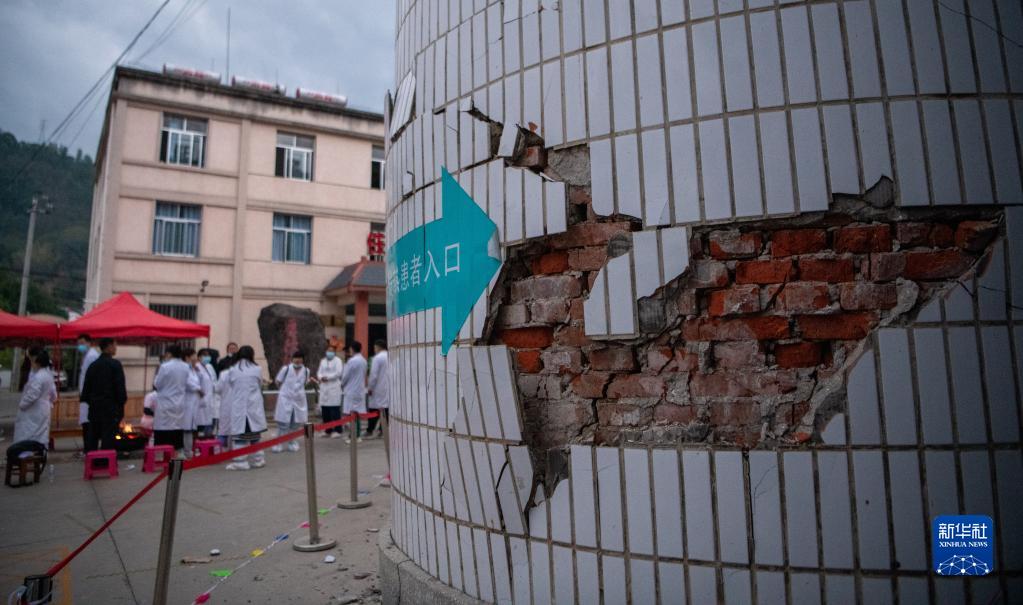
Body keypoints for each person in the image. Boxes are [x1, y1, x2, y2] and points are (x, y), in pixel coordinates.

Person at [6, 350, 57, 474]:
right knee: (39, 434)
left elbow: (32, 395)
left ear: (37, 362)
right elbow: (53, 394)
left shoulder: (39, 376)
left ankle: (25, 459)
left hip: (33, 410)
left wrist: (22, 405)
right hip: (43, 408)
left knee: (28, 435)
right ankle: (37, 459)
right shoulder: (48, 375)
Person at [222, 345, 268, 471]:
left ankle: (240, 461)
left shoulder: (233, 370)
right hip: (253, 406)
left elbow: (231, 384)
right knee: (255, 434)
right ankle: (258, 460)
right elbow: (259, 383)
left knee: (240, 436)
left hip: (239, 406)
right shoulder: (257, 369)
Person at [153, 346, 201, 455]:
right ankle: (178, 455)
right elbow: (187, 383)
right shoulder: (185, 367)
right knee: (177, 429)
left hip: (165, 402)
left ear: (169, 354)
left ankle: (164, 455)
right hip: (179, 402)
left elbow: (157, 384)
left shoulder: (164, 366)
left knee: (164, 430)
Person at [81, 338, 127, 452]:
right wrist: (120, 405)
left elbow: (86, 390)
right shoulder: (115, 365)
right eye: (114, 345)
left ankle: (92, 459)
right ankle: (106, 459)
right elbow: (120, 389)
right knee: (108, 439)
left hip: (94, 408)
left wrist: (92, 401)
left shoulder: (93, 366)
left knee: (93, 437)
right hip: (110, 409)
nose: (115, 348)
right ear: (109, 346)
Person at [272, 351, 309, 453]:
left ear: (303, 359)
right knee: (283, 423)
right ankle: (278, 443)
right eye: (296, 358)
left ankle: (292, 442)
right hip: (285, 399)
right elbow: (278, 381)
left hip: (298, 400)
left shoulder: (306, 371)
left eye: (300, 358)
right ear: (292, 359)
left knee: (295, 423)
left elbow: (304, 383)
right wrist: (285, 391)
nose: (298, 360)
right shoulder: (286, 369)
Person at [340, 341, 368, 444]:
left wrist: (342, 384)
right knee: (356, 414)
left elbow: (345, 376)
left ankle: (353, 436)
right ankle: (357, 435)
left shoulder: (352, 361)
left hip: (351, 390)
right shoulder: (363, 360)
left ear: (352, 349)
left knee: (352, 414)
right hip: (359, 390)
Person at [76, 334, 100, 450]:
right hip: (85, 395)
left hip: (89, 396)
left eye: (82, 343)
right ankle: (87, 448)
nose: (80, 346)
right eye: (79, 344)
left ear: (89, 343)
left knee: (88, 424)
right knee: (86, 423)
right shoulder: (87, 356)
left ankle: (89, 449)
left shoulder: (92, 356)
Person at [316, 344, 344, 438]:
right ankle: (327, 430)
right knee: (325, 410)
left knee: (334, 410)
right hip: (324, 387)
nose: (329, 352)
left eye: (332, 351)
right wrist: (321, 377)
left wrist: (327, 378)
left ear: (334, 352)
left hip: (334, 387)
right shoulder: (323, 361)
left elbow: (338, 373)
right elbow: (319, 372)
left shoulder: (338, 361)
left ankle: (338, 430)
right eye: (328, 350)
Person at [366, 339, 390, 438]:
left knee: (374, 409)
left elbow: (373, 375)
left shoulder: (377, 358)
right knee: (386, 409)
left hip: (378, 388)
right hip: (388, 387)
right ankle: (382, 430)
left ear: (377, 347)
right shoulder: (390, 355)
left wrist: (370, 387)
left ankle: (370, 430)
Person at [196, 348, 218, 438]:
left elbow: (214, 381)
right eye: (204, 355)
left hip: (210, 398)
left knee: (209, 421)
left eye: (208, 355)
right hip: (200, 398)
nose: (207, 357)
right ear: (199, 357)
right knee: (200, 423)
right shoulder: (196, 367)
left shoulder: (209, 367)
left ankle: (207, 439)